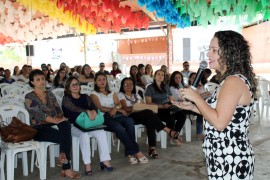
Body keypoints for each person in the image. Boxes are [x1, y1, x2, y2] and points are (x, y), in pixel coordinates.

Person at [172, 30, 257, 179]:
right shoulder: (228, 80)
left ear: (230, 53)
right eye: (209, 49)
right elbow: (221, 113)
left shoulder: (233, 81)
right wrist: (192, 107)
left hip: (231, 157)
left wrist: (197, 98)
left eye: (214, 50)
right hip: (222, 155)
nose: (208, 54)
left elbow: (219, 122)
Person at [24, 69, 81, 179]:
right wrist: (56, 120)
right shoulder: (29, 97)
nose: (42, 81)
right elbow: (39, 115)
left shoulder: (50, 94)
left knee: (66, 124)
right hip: (38, 128)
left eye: (43, 79)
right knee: (65, 136)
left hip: (53, 124)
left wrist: (60, 119)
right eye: (38, 79)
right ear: (32, 82)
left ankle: (63, 160)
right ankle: (67, 167)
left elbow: (58, 111)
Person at [90, 72, 148, 164]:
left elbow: (119, 104)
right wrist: (114, 109)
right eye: (99, 80)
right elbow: (100, 107)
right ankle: (136, 151)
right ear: (95, 82)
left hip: (115, 115)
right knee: (119, 128)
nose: (102, 82)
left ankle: (130, 153)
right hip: (103, 117)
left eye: (104, 79)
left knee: (129, 120)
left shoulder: (112, 93)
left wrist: (115, 109)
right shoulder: (93, 94)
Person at [118, 77, 182, 159]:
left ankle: (152, 148)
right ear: (122, 86)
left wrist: (136, 107)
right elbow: (126, 108)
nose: (129, 86)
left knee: (150, 120)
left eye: (131, 84)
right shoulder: (120, 95)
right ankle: (168, 131)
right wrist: (136, 107)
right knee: (149, 114)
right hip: (129, 117)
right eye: (126, 84)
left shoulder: (136, 95)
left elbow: (143, 106)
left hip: (140, 115)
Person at [62, 77, 113, 175]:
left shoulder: (85, 97)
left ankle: (105, 161)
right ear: (68, 87)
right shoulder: (66, 98)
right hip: (73, 125)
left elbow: (93, 107)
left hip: (89, 123)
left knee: (101, 133)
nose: (76, 86)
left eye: (77, 84)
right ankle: (87, 164)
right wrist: (87, 111)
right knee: (84, 136)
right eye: (72, 85)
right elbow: (73, 109)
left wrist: (93, 111)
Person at [145, 69, 186, 145]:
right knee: (170, 119)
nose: (161, 76)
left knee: (182, 115)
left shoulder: (166, 86)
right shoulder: (150, 87)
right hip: (157, 109)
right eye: (158, 74)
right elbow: (148, 103)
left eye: (162, 75)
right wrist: (162, 106)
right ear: (154, 76)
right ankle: (174, 137)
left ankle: (174, 134)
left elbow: (171, 98)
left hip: (167, 107)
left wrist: (175, 103)